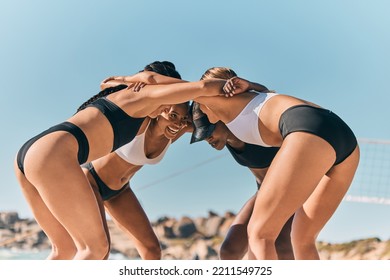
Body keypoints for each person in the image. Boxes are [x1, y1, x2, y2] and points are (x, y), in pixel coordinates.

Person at [13, 62, 233, 260]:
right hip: (59, 159)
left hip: (33, 154)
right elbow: (201, 88)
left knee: (65, 251)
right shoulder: (141, 99)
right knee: (96, 251)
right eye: (169, 98)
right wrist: (244, 88)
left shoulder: (152, 112)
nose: (170, 107)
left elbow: (214, 124)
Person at [192, 67, 360, 260]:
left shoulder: (246, 116)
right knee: (239, 248)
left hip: (305, 165)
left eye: (208, 130)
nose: (207, 138)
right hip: (337, 140)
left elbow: (201, 89)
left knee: (265, 236)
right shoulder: (237, 124)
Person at [80, 63, 191, 260]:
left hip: (120, 191)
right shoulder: (139, 119)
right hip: (91, 182)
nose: (178, 123)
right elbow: (106, 85)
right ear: (162, 106)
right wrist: (131, 81)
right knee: (100, 251)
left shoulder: (176, 128)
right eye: (173, 115)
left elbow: (209, 110)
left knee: (152, 250)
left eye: (182, 119)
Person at [191, 101, 294, 260]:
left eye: (209, 131)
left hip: (292, 189)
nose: (208, 138)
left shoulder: (251, 127)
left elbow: (265, 99)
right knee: (229, 251)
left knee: (282, 245)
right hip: (263, 191)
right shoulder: (222, 136)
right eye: (202, 135)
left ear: (221, 118)